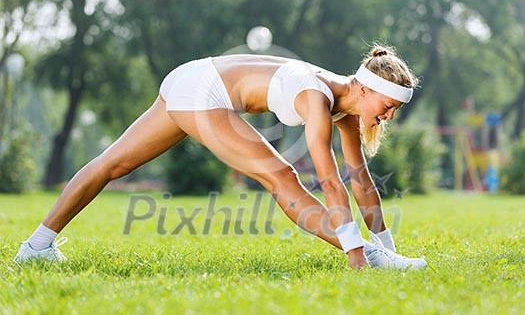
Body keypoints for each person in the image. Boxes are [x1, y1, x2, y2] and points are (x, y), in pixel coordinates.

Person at [15, 44, 427, 270]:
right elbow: (331, 181)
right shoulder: (317, 98)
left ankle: (36, 247)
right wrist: (359, 254)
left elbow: (360, 180)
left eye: (395, 111)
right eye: (388, 105)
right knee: (282, 177)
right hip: (202, 90)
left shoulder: (348, 108)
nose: (389, 116)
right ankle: (372, 258)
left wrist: (388, 246)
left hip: (191, 76)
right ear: (365, 89)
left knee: (113, 164)